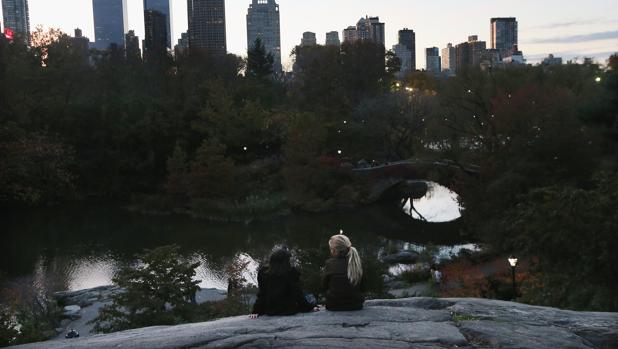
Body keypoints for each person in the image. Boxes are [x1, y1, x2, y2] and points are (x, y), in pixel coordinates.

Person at [249, 246, 318, 318]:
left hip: (270, 310)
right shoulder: (291, 272)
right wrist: (309, 308)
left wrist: (256, 311)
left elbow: (262, 294)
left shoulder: (263, 272)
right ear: (286, 261)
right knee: (309, 296)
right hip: (288, 310)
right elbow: (298, 294)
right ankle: (314, 305)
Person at [322, 234, 364, 311]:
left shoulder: (329, 263)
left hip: (333, 305)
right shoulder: (358, 263)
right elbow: (363, 287)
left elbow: (324, 286)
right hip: (355, 305)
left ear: (334, 250)